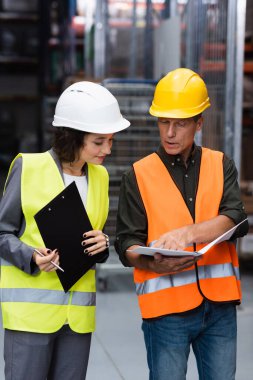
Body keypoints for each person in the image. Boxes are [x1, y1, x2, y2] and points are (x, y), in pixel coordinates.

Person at [115, 68, 248, 380]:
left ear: (198, 123)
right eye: (164, 121)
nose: (169, 132)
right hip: (166, 313)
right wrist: (150, 262)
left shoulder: (220, 164)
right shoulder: (138, 174)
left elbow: (237, 218)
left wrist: (188, 233)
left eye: (180, 123)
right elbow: (125, 244)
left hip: (219, 309)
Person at [0, 81, 130, 380]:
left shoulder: (100, 176)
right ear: (72, 137)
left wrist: (102, 243)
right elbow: (2, 233)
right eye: (99, 142)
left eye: (110, 140)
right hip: (31, 317)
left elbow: (91, 238)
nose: (107, 150)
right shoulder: (28, 168)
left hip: (78, 319)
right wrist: (31, 256)